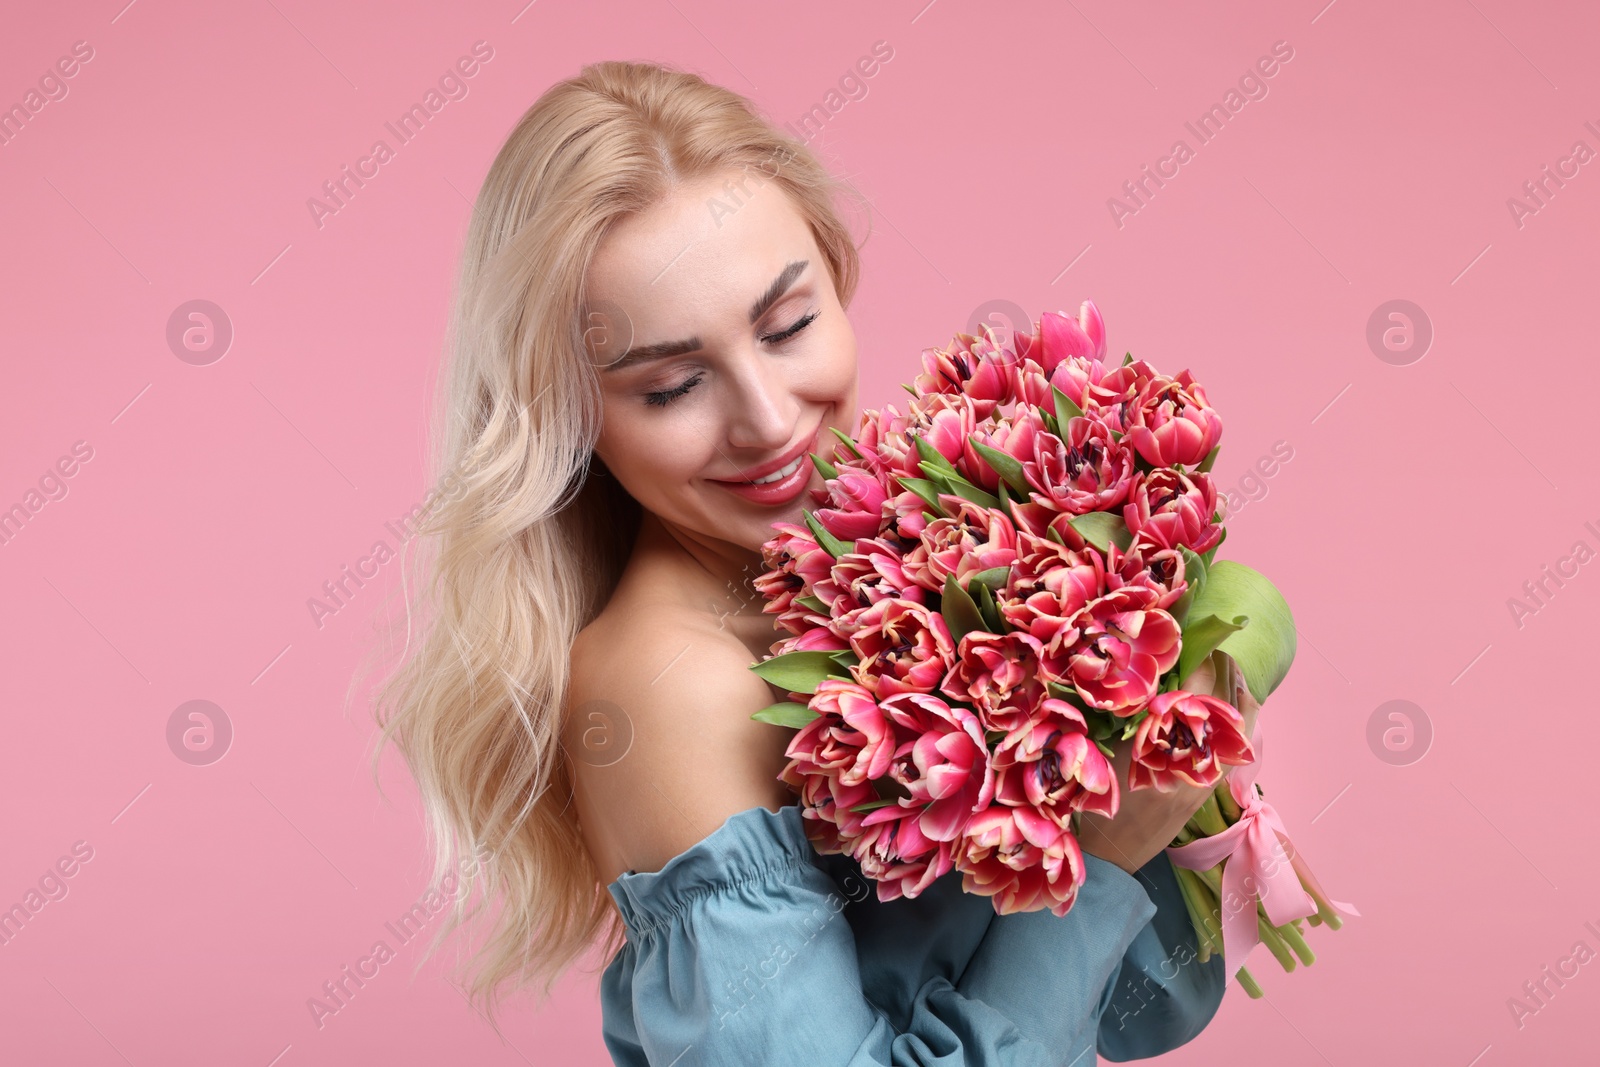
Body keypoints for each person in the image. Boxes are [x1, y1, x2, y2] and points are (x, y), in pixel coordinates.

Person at [370, 59, 1258, 1065]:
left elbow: (1149, 1011)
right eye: (671, 385)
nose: (767, 419)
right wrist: (1089, 866)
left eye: (788, 325)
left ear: (837, 281)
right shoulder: (670, 692)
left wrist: (1139, 698)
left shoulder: (912, 564)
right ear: (570, 418)